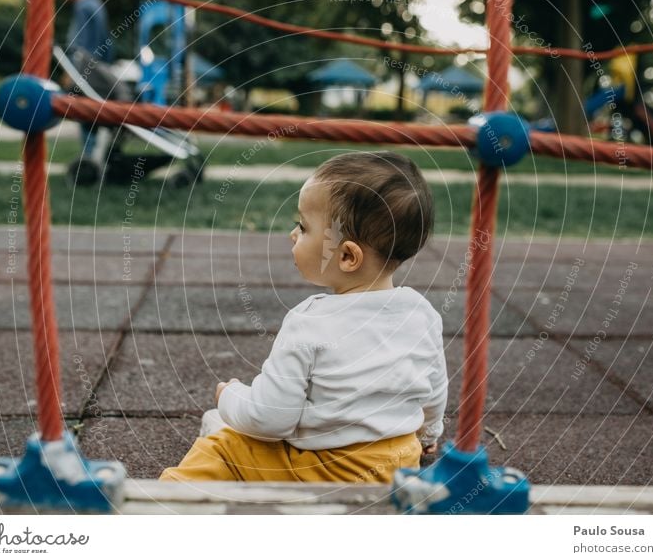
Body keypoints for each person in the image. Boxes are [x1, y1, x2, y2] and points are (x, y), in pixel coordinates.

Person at [159, 151, 448, 483]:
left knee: (224, 444)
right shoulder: (421, 313)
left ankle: (168, 505)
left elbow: (270, 419)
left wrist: (230, 396)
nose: (292, 235)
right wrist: (428, 436)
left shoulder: (310, 322)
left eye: (303, 226)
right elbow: (434, 391)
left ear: (346, 256)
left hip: (325, 473)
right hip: (396, 467)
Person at [57, 0, 111, 159]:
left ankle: (88, 156)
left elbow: (79, 43)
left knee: (83, 111)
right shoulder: (97, 3)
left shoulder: (82, 7)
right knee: (96, 111)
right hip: (100, 66)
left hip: (84, 68)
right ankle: (98, 152)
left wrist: (69, 71)